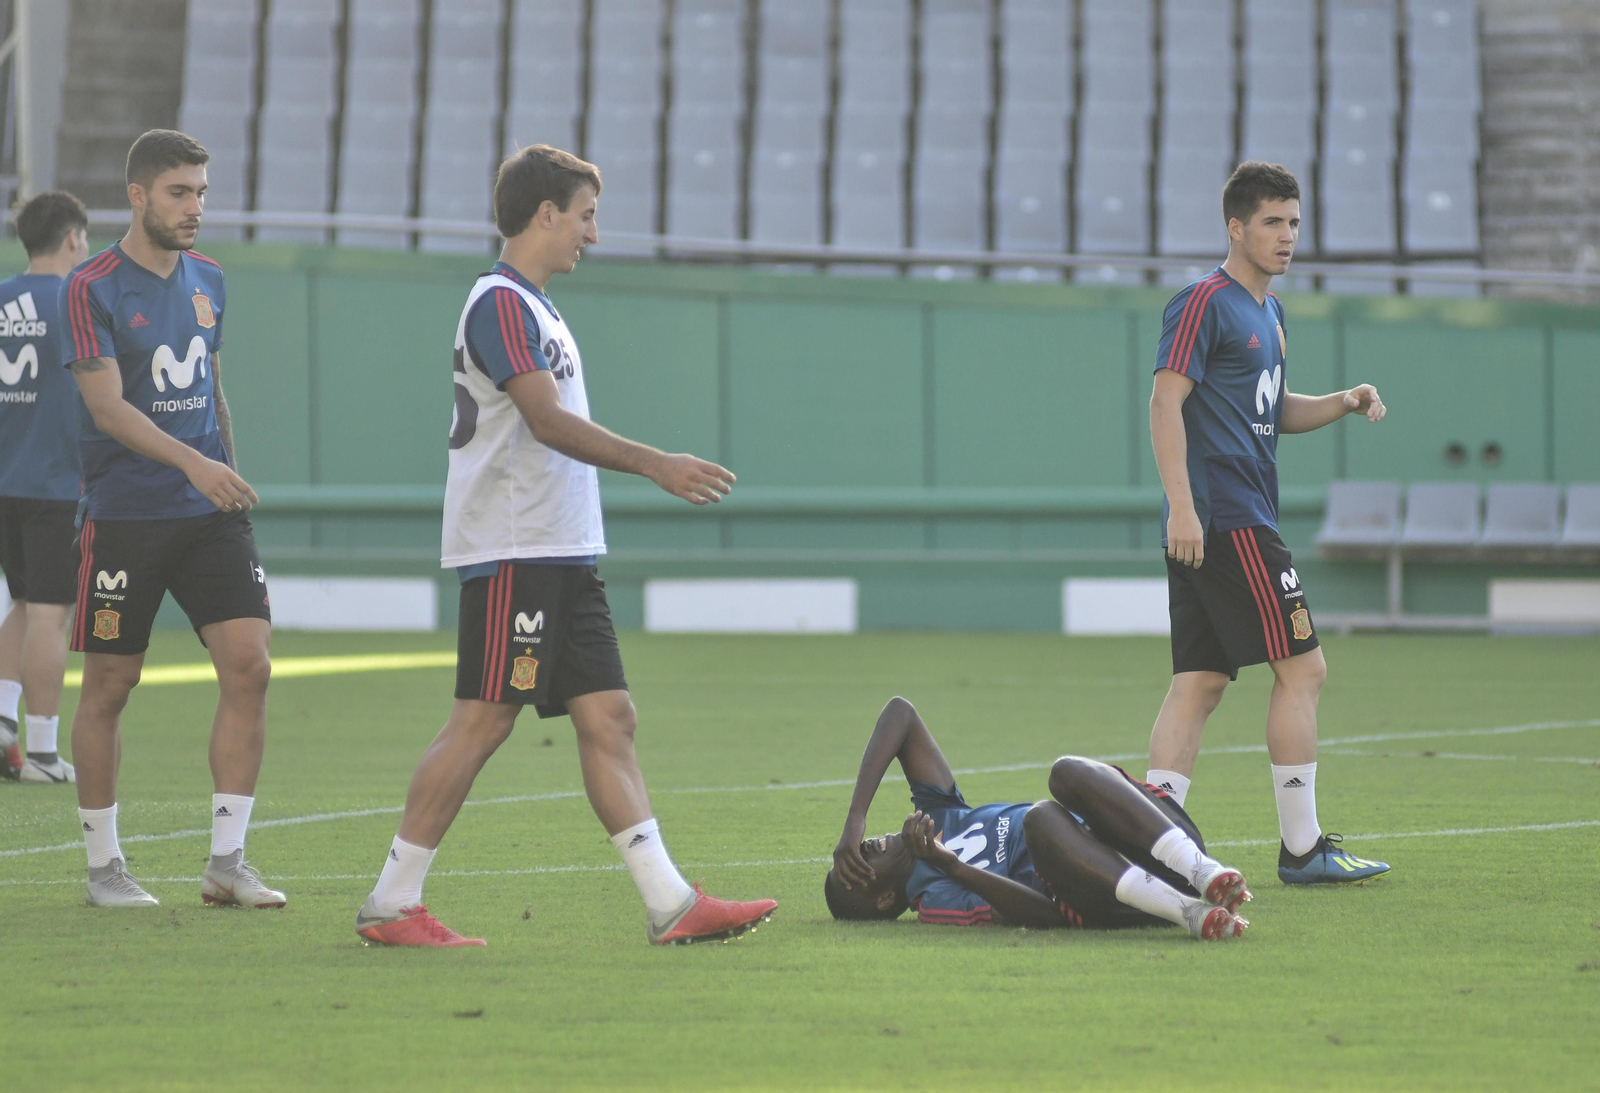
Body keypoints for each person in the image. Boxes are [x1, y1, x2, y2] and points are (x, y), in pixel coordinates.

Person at [354, 145, 776, 948]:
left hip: (561, 552)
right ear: (546, 214)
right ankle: (391, 901)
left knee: (611, 717)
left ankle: (671, 903)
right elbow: (546, 422)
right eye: (586, 216)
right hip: (517, 550)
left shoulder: (536, 307)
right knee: (482, 721)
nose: (593, 233)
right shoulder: (500, 303)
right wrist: (657, 463)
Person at [1144, 161, 1390, 885]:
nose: (1287, 237)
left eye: (1294, 223)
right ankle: (1303, 849)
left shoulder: (1272, 315)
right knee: (1304, 668)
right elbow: (1165, 402)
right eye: (1273, 222)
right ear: (1235, 227)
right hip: (1229, 518)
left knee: (1200, 681)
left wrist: (1343, 400)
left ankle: (1152, 841)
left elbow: (1272, 408)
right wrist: (1183, 506)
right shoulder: (1203, 302)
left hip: (1224, 517)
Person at [61, 129, 281, 910]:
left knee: (250, 665)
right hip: (126, 515)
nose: (194, 207)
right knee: (111, 685)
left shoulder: (209, 279)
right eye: (179, 192)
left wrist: (224, 468)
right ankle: (104, 868)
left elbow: (212, 385)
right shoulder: (90, 287)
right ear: (138, 196)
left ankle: (227, 862)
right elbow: (106, 407)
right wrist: (193, 463)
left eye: (201, 193)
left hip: (208, 514)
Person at [826, 697, 1251, 940]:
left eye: (852, 851)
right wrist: (951, 866)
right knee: (1041, 819)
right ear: (884, 899)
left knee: (1065, 771)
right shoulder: (934, 898)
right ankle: (1187, 912)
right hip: (1119, 898)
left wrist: (854, 819)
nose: (861, 849)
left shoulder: (937, 812)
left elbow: (900, 713)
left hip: (1161, 845)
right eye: (854, 866)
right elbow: (1046, 916)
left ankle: (1201, 869)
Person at [0, 190, 89, 784]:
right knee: (51, 614)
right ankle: (42, 753)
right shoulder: (75, 302)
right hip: (55, 482)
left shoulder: (2, 298)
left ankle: (3, 721)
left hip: (5, 481)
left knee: (25, 604)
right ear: (73, 238)